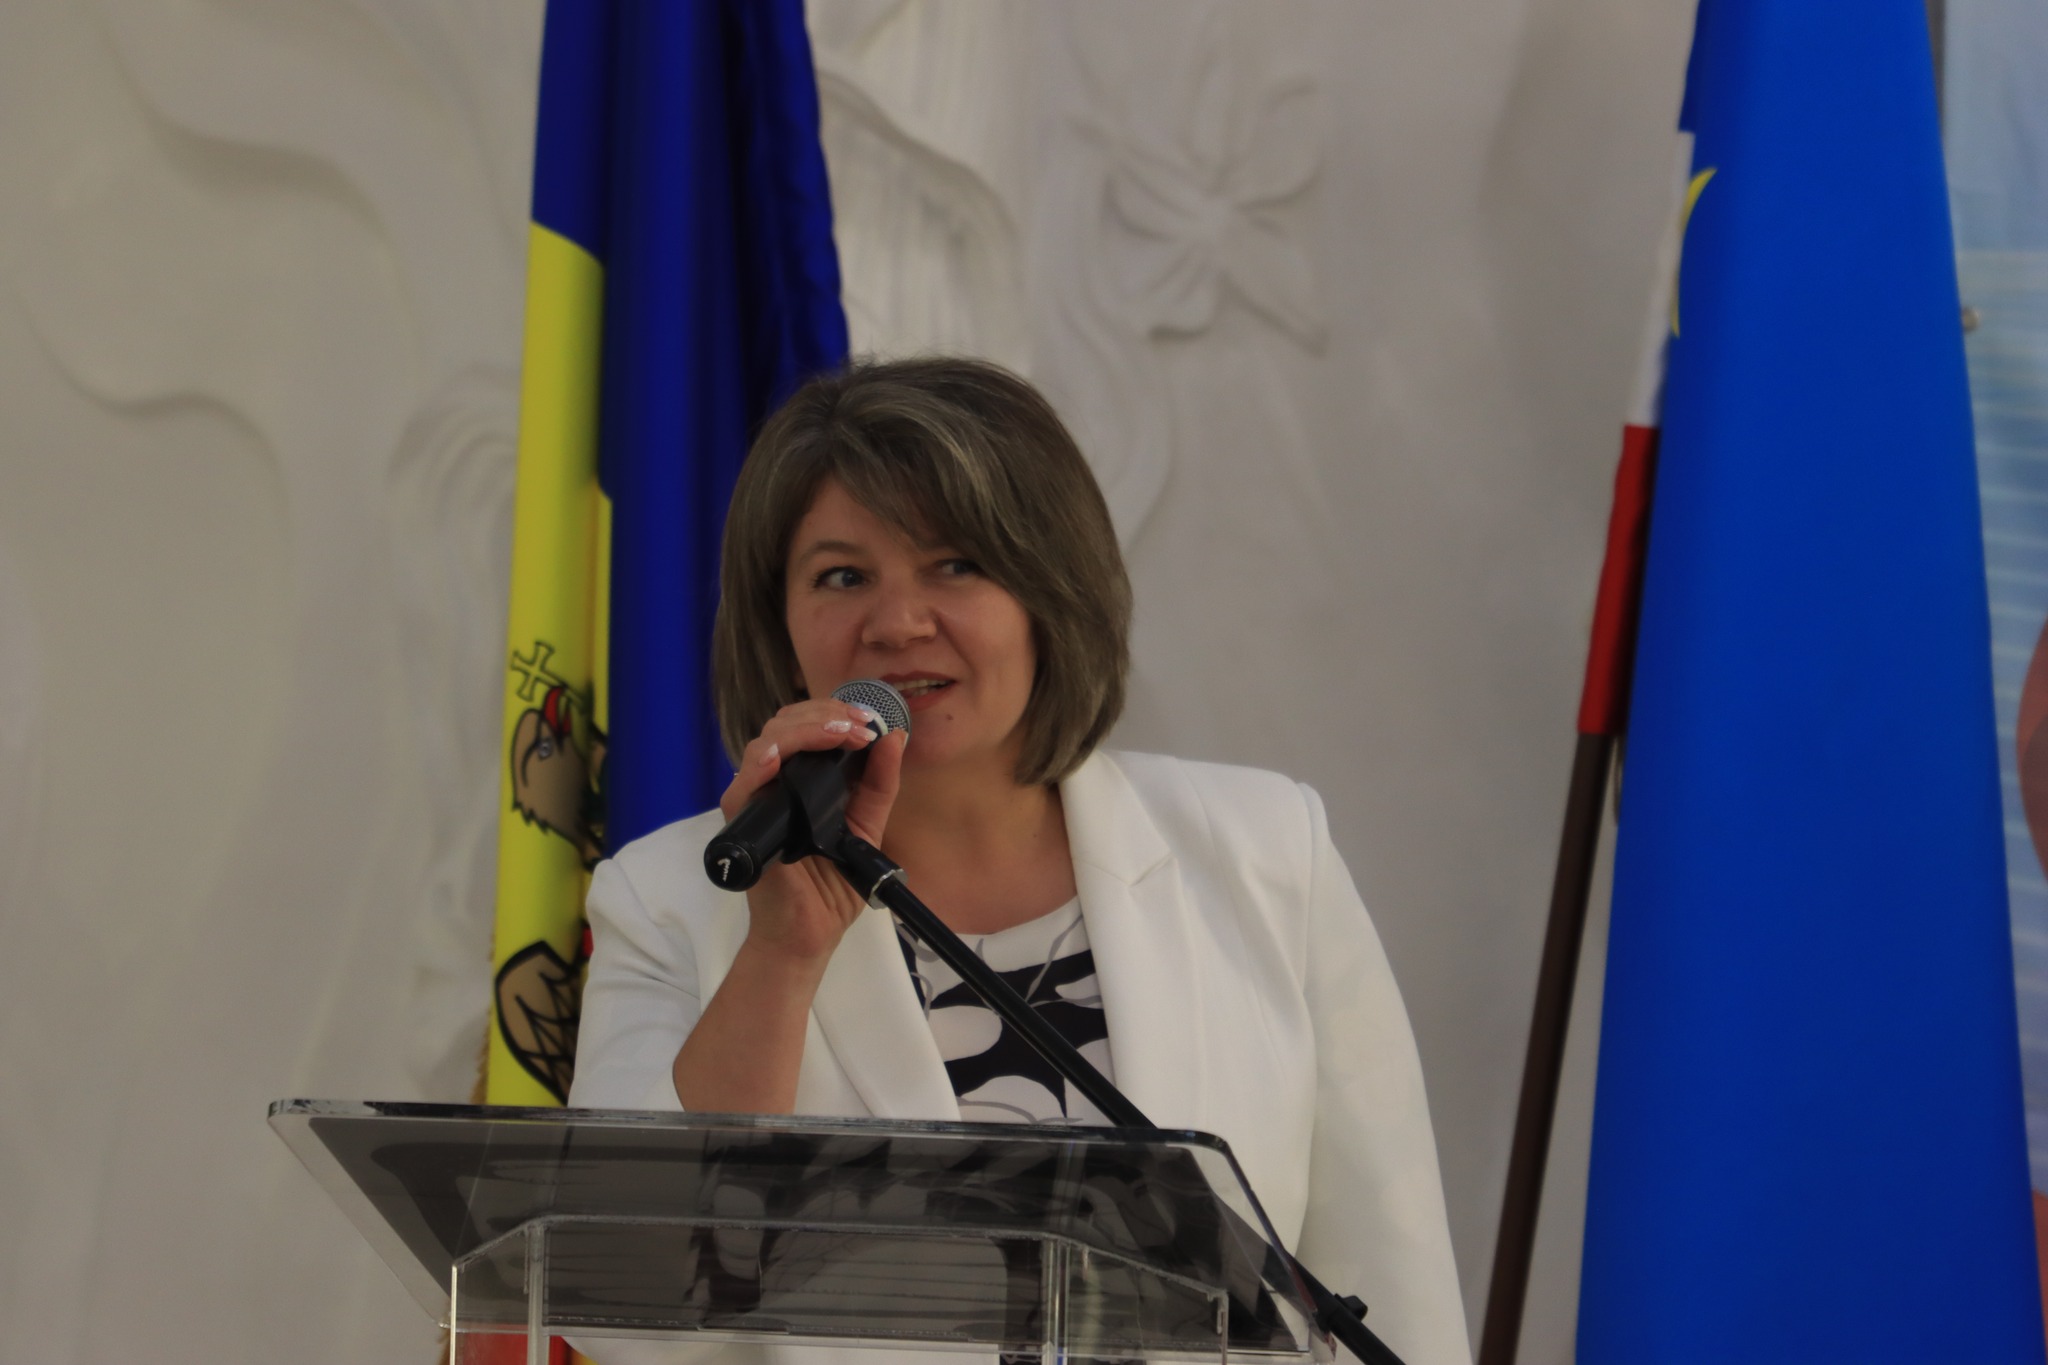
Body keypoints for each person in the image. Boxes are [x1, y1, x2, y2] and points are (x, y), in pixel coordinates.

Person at [568, 357, 1471, 1365]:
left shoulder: (1266, 848)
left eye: (955, 564)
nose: (898, 622)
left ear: (1050, 590)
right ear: (777, 622)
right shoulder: (667, 898)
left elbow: (1394, 1285)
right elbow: (625, 1313)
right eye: (842, 576)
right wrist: (781, 953)